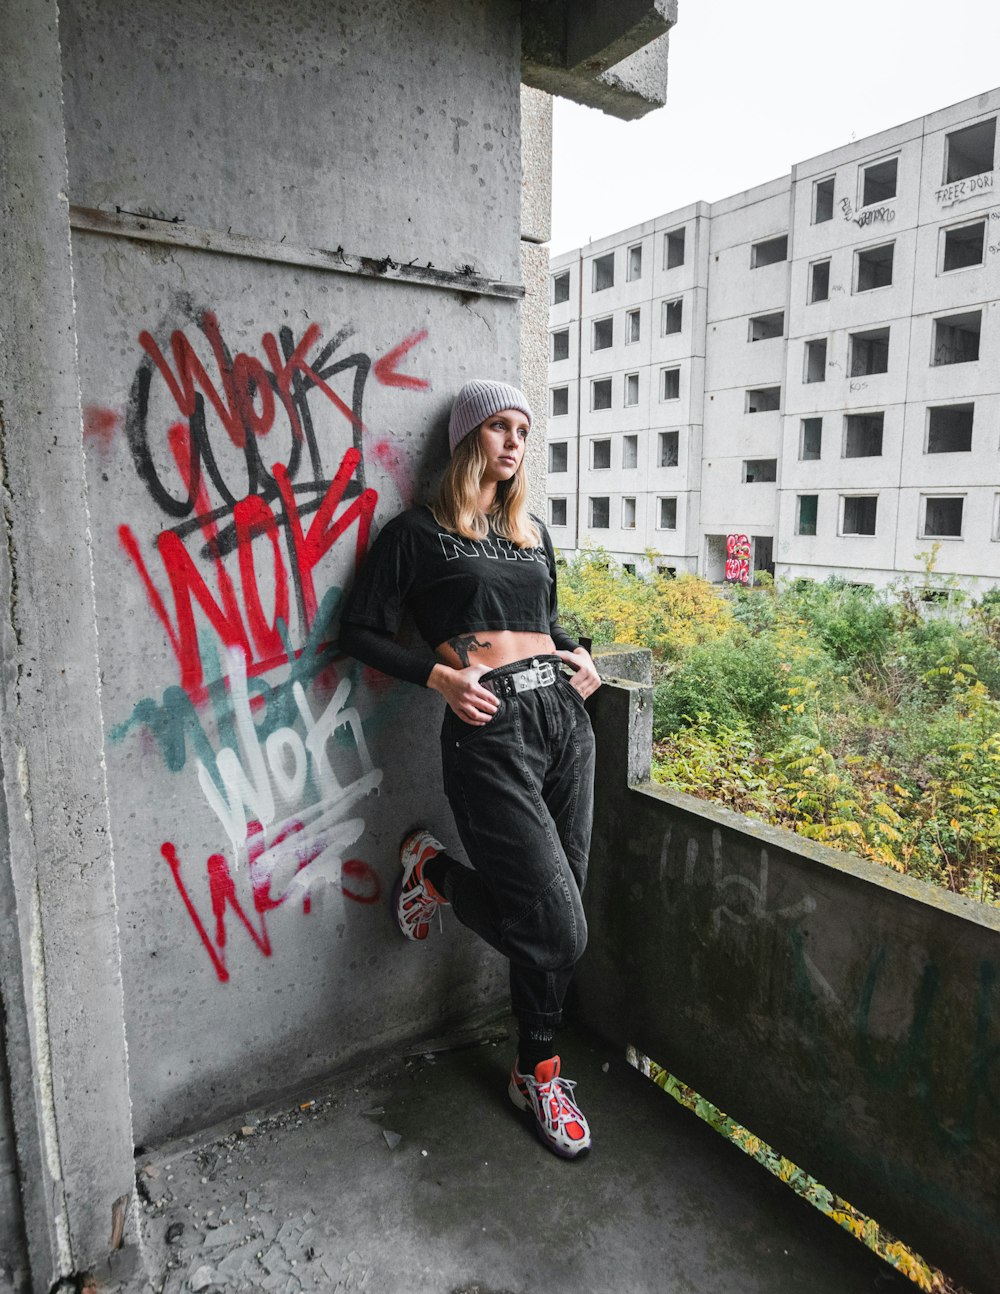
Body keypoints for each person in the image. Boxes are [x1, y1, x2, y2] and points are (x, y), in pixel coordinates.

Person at [338, 378, 600, 1158]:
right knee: (558, 928)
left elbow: (549, 625)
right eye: (499, 427)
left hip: (565, 724)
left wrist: (582, 656)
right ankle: (434, 872)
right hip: (491, 731)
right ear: (466, 440)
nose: (515, 442)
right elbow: (358, 631)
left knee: (557, 916)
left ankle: (538, 1072)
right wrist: (440, 678)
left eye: (524, 428)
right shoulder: (416, 535)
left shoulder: (532, 535)